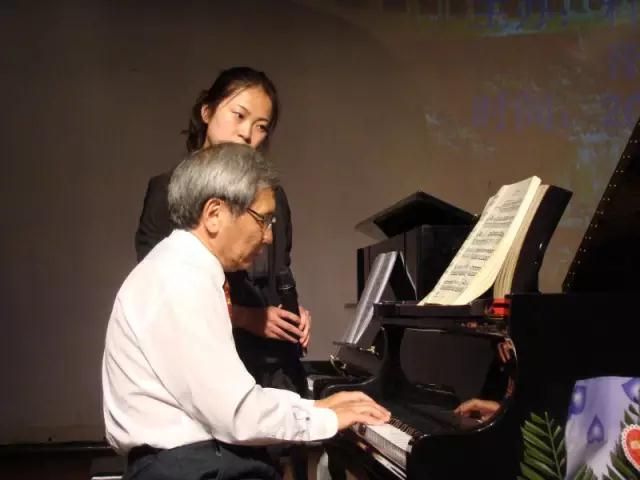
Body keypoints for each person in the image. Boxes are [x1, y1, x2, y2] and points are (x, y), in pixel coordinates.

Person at [103, 144, 391, 480]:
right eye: (263, 219)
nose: (268, 237)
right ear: (214, 214)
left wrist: (314, 406)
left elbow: (229, 399)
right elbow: (237, 414)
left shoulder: (181, 268)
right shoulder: (180, 280)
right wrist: (326, 418)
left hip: (191, 462)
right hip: (192, 468)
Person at [135, 67, 310, 398]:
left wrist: (293, 312)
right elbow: (161, 293)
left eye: (261, 126)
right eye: (239, 116)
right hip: (205, 364)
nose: (247, 134)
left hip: (273, 363)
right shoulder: (167, 189)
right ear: (207, 112)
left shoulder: (272, 195)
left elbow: (281, 269)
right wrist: (248, 317)